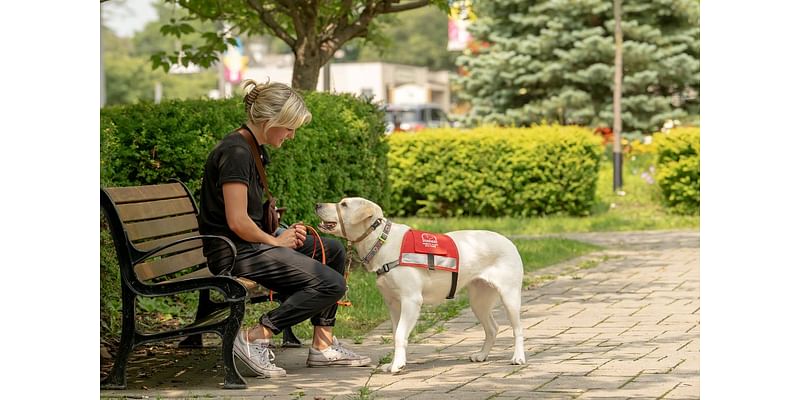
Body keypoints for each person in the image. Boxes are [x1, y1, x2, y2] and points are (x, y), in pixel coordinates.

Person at [198, 78, 371, 378]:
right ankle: (255, 337)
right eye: (289, 128)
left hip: (251, 245)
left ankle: (322, 346)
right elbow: (237, 220)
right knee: (332, 283)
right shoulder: (236, 153)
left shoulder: (253, 148)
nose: (291, 135)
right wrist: (275, 242)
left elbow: (250, 215)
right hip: (234, 252)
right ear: (269, 121)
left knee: (331, 249)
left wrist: (281, 233)